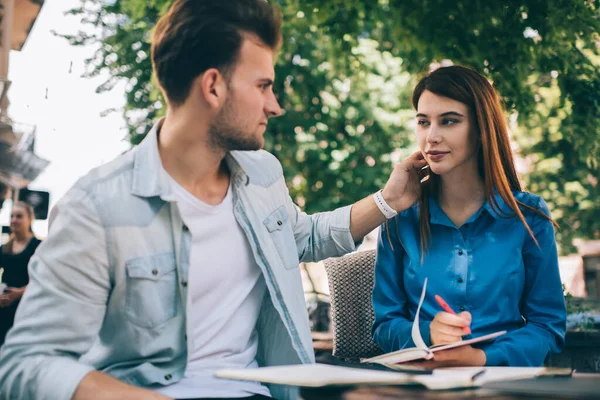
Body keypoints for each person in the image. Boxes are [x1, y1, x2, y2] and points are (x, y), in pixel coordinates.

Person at [0, 1, 426, 399]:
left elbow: (305, 237)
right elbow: (27, 363)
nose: (274, 106)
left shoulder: (263, 175)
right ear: (213, 86)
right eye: (263, 86)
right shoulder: (96, 207)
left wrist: (389, 200)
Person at [371, 65, 566, 368]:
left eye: (449, 121)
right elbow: (384, 325)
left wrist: (483, 358)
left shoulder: (529, 217)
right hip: (420, 383)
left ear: (481, 128)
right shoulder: (399, 219)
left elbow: (547, 327)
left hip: (503, 383)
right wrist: (427, 332)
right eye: (423, 122)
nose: (431, 137)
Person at [0, 201, 41, 346]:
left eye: (19, 216)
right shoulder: (5, 248)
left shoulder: (38, 247)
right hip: (4, 310)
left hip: (26, 311)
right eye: (11, 216)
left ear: (30, 219)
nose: (14, 220)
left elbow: (45, 280)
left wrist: (19, 293)